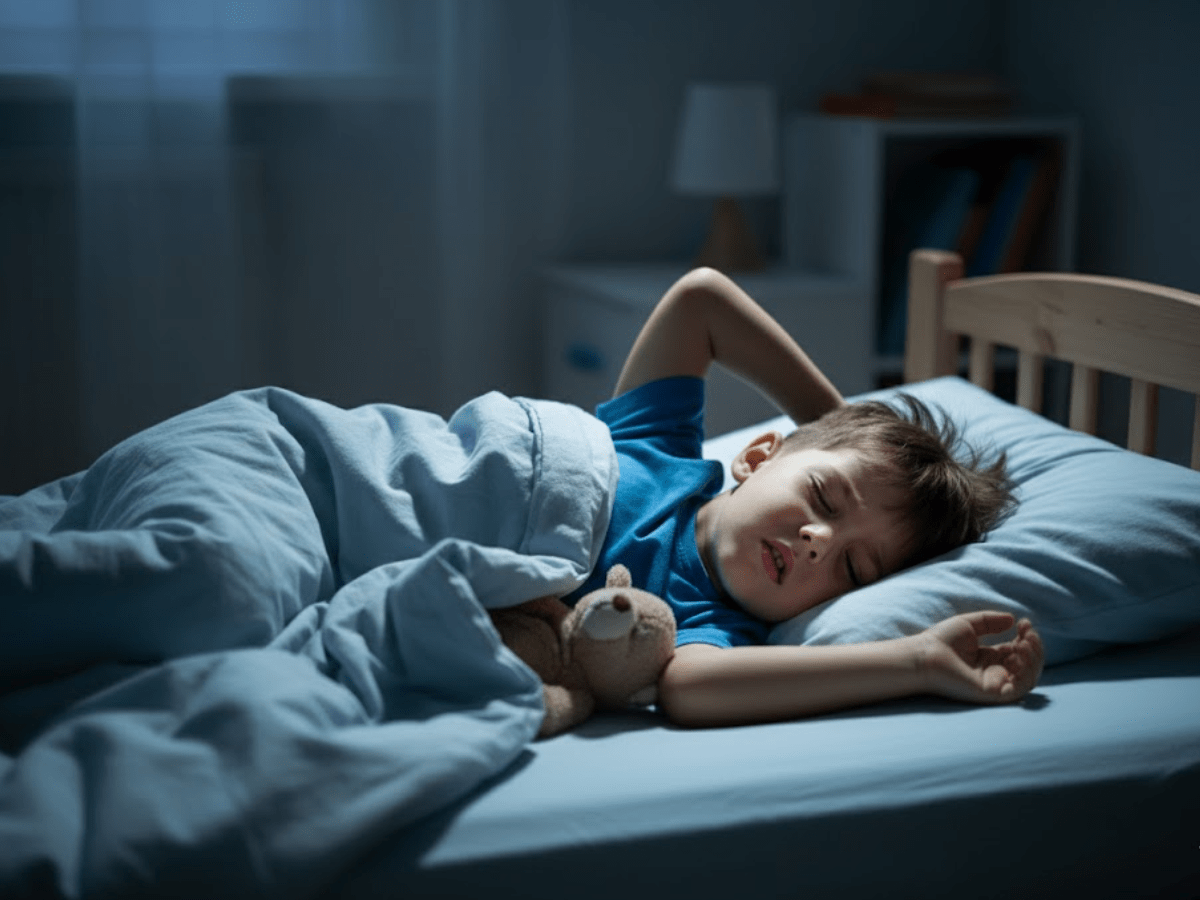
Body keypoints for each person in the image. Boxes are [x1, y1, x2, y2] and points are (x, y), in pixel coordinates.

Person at [566, 266, 1044, 728]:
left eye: (854, 568)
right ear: (755, 458)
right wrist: (834, 429)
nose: (819, 540)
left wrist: (918, 661)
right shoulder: (656, 448)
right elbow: (702, 301)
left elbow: (689, 690)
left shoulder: (714, 626)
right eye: (823, 496)